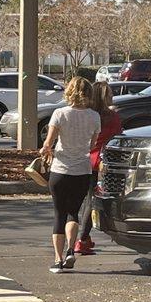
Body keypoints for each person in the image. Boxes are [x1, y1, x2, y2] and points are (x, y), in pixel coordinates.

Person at [40, 77, 101, 273]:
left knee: (59, 213)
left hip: (60, 169)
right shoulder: (94, 117)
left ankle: (57, 260)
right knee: (74, 212)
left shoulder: (59, 113)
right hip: (82, 170)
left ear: (69, 91)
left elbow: (48, 144)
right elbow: (92, 145)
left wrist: (46, 150)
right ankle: (70, 251)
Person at [74, 81, 122, 255]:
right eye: (109, 93)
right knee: (92, 201)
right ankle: (82, 238)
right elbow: (117, 136)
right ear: (105, 97)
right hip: (100, 162)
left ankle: (82, 238)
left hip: (82, 160)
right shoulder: (112, 116)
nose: (112, 96)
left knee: (83, 201)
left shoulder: (86, 115)